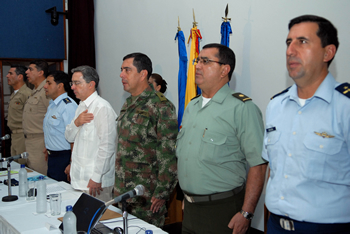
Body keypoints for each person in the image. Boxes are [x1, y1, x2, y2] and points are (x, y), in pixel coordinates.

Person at [263, 15, 350, 233]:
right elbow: (273, 170)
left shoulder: (345, 107)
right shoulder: (276, 105)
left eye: (302, 42)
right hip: (275, 226)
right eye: (288, 42)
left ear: (328, 52)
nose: (290, 50)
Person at [176, 43, 267, 234]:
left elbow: (258, 165)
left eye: (206, 61)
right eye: (197, 60)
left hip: (222, 210)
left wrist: (247, 213)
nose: (197, 66)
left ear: (224, 70)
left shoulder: (242, 108)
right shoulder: (192, 106)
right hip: (191, 208)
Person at [116, 53, 178, 227]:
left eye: (127, 70)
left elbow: (168, 154)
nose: (121, 75)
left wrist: (162, 193)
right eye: (121, 70)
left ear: (143, 74)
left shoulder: (160, 106)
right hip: (125, 192)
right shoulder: (128, 103)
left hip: (146, 196)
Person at [65, 65, 117, 202]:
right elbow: (69, 137)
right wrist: (76, 123)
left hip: (95, 183)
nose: (72, 87)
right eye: (72, 83)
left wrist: (96, 177)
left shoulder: (102, 107)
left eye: (77, 83)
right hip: (79, 180)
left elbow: (108, 146)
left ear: (91, 84)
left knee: (99, 222)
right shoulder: (81, 106)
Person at [43, 71, 77, 182]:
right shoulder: (52, 105)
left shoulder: (68, 106)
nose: (45, 86)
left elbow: (75, 137)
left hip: (64, 158)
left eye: (49, 83)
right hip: (53, 157)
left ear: (60, 86)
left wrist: (72, 163)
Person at [23, 60, 50, 175]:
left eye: (30, 69)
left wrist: (48, 144)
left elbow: (53, 118)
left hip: (40, 142)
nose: (26, 72)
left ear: (40, 73)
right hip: (30, 142)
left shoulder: (46, 90)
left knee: (41, 178)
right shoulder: (34, 91)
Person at [6, 65, 32, 164]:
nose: (7, 76)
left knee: (23, 165)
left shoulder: (27, 93)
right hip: (14, 135)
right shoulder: (14, 94)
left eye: (10, 73)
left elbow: (31, 116)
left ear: (20, 77)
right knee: (14, 165)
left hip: (22, 135)